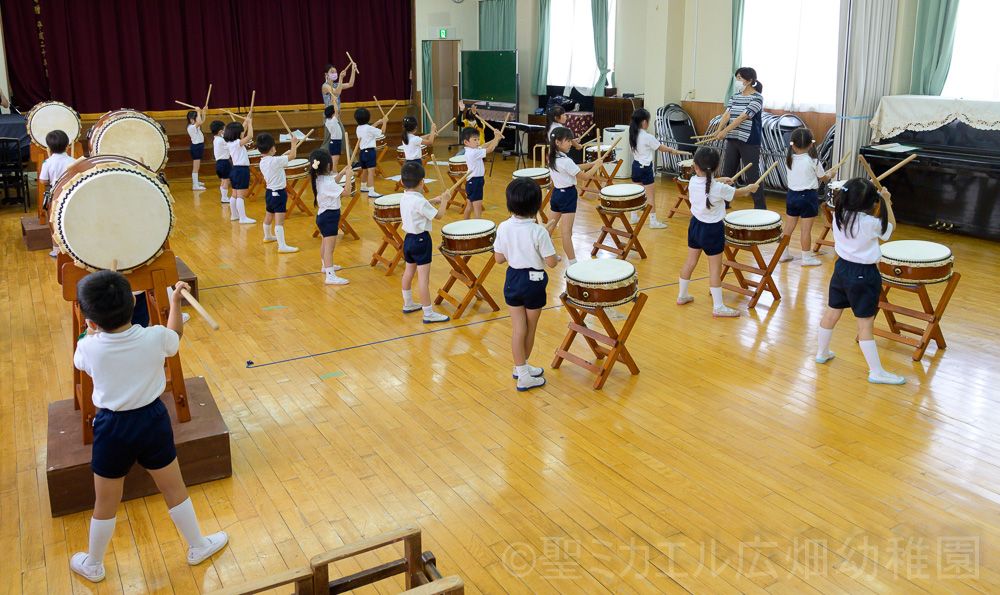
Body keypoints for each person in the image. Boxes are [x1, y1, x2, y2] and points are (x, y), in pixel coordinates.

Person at [69, 272, 228, 582]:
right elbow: (175, 338)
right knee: (173, 488)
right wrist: (173, 301)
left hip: (111, 426)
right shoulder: (154, 336)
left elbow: (80, 360)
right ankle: (197, 545)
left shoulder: (89, 347)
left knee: (105, 501)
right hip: (152, 420)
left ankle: (93, 564)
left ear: (90, 320)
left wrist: (87, 332)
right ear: (133, 302)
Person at [816, 178, 905, 385]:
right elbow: (890, 229)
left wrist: (878, 199)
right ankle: (876, 372)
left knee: (831, 312)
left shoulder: (838, 214)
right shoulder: (871, 223)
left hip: (841, 269)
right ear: (871, 203)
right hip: (864, 274)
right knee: (865, 324)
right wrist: (886, 202)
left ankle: (822, 352)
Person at [675, 147, 760, 318]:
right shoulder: (719, 189)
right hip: (713, 230)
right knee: (714, 269)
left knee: (690, 263)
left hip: (695, 226)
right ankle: (718, 306)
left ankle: (682, 295)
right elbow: (738, 193)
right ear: (717, 167)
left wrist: (721, 180)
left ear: (695, 166)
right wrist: (750, 188)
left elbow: (709, 183)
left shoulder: (692, 181)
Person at [494, 177, 558, 391]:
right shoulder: (539, 231)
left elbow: (499, 259)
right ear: (537, 205)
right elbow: (551, 264)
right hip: (534, 282)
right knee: (530, 329)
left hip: (512, 279)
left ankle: (520, 368)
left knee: (518, 329)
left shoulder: (503, 226)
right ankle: (523, 373)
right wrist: (549, 248)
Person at [399, 162, 451, 323]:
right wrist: (444, 201)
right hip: (421, 240)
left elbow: (419, 204)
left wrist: (433, 199)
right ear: (422, 181)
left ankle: (408, 303)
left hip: (408, 239)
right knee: (423, 280)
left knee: (408, 274)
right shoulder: (420, 201)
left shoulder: (405, 196)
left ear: (402, 182)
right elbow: (439, 216)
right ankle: (428, 313)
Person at [544, 127, 605, 264]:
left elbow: (575, 168)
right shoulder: (565, 161)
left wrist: (591, 163)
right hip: (568, 196)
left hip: (556, 194)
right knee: (566, 233)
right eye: (567, 141)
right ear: (558, 143)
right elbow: (584, 177)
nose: (570, 143)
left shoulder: (553, 156)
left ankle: (544, 254)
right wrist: (596, 167)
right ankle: (573, 263)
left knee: (549, 228)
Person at [713, 67, 766, 209]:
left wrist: (725, 131)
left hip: (749, 140)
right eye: (737, 78)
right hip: (732, 138)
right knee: (727, 172)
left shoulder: (757, 98)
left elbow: (743, 116)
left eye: (740, 78)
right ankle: (724, 203)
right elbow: (727, 114)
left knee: (752, 175)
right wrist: (719, 130)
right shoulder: (735, 96)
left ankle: (760, 208)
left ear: (749, 81)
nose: (737, 81)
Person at [777, 128, 831, 267]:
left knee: (788, 227)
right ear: (811, 144)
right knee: (805, 230)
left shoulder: (789, 159)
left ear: (792, 145)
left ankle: (783, 254)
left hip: (792, 195)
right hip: (808, 196)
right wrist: (831, 175)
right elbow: (823, 178)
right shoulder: (813, 161)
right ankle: (806, 258)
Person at [628, 108, 686, 229]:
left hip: (636, 166)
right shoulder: (647, 136)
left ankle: (633, 217)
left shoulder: (632, 134)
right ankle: (653, 221)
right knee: (650, 196)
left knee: (636, 194)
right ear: (644, 122)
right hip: (645, 169)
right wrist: (671, 150)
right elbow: (660, 147)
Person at [310, 149, 354, 285]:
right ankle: (330, 275)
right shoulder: (326, 183)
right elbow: (347, 193)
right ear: (328, 165)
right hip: (329, 217)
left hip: (324, 216)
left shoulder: (319, 178)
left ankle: (325, 266)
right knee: (329, 248)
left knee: (325, 244)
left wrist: (341, 173)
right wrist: (348, 177)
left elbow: (333, 181)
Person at [257, 132, 305, 253]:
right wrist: (293, 143)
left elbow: (277, 160)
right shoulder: (275, 161)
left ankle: (267, 236)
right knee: (279, 221)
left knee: (269, 215)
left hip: (269, 193)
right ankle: (282, 246)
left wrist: (285, 153)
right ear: (272, 148)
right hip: (279, 194)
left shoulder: (263, 161)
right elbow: (293, 155)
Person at [40, 130, 76, 257]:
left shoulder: (48, 162)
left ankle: (56, 249)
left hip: (55, 195)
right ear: (67, 146)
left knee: (53, 222)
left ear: (49, 148)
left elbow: (43, 180)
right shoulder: (73, 160)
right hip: (71, 193)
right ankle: (73, 246)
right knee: (71, 219)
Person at [460, 125, 502, 220]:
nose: (477, 142)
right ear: (466, 142)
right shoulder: (473, 153)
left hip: (473, 181)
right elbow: (490, 149)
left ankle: (465, 223)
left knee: (469, 206)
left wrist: (496, 139)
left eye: (478, 139)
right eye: (474, 140)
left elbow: (485, 145)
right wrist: (496, 137)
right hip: (475, 182)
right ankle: (478, 228)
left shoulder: (472, 149)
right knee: (477, 209)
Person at [321, 62, 357, 158]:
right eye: (332, 72)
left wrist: (353, 70)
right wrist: (341, 78)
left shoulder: (336, 84)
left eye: (335, 72)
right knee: (327, 142)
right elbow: (337, 92)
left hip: (336, 117)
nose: (334, 74)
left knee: (344, 139)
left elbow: (350, 84)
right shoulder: (325, 86)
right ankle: (319, 161)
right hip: (329, 118)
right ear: (326, 74)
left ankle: (353, 162)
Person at [224, 118, 255, 224]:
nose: (243, 133)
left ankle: (234, 215)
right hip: (242, 170)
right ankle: (243, 218)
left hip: (235, 170)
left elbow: (241, 132)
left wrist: (245, 123)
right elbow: (249, 136)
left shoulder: (230, 142)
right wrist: (250, 124)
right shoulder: (237, 142)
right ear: (238, 134)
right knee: (240, 196)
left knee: (234, 194)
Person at [354, 107, 387, 198]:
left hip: (362, 152)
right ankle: (371, 191)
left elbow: (369, 129)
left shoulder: (358, 128)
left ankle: (363, 186)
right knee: (371, 172)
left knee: (364, 171)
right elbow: (382, 132)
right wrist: (384, 122)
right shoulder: (368, 128)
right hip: (370, 152)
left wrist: (378, 122)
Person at [210, 120, 231, 204]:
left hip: (219, 163)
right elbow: (230, 146)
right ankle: (224, 197)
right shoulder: (221, 141)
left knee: (223, 180)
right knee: (226, 181)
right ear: (220, 131)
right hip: (224, 163)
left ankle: (224, 196)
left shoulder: (216, 139)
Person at [186, 109, 206, 190]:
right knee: (196, 167)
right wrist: (198, 111)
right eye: (197, 117)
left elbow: (202, 121)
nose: (199, 118)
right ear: (191, 120)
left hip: (199, 146)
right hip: (196, 147)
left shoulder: (195, 126)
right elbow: (200, 122)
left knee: (197, 166)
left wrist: (203, 111)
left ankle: (196, 181)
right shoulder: (191, 127)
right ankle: (195, 185)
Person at [324, 104, 343, 172]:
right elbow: (337, 110)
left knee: (332, 162)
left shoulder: (327, 121)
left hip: (333, 142)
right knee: (335, 163)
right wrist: (335, 101)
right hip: (336, 143)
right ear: (332, 115)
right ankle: (334, 177)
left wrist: (332, 100)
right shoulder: (333, 121)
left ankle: (331, 175)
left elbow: (332, 109)